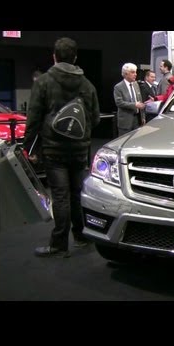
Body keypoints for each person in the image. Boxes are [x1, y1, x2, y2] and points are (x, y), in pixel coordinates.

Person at [23, 37, 101, 258]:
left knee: (60, 195)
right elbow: (95, 118)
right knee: (77, 194)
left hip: (53, 149)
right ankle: (81, 237)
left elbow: (34, 117)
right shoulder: (87, 84)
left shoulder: (44, 82)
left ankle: (59, 244)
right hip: (80, 149)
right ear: (75, 57)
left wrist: (29, 147)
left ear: (54, 57)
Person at [113, 63, 146, 136]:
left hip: (137, 120)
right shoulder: (118, 87)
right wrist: (135, 105)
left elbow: (139, 100)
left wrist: (143, 117)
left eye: (136, 72)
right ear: (125, 74)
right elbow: (119, 103)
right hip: (125, 122)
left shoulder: (136, 84)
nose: (135, 74)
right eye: (133, 72)